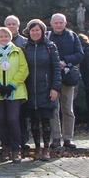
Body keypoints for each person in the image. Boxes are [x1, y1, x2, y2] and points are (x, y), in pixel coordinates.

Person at [0, 26, 29, 163]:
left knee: (12, 119)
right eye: (1, 36)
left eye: (6, 36)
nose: (3, 39)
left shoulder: (18, 51)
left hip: (14, 91)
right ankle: (5, 147)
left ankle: (16, 149)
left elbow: (23, 69)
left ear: (10, 37)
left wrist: (12, 85)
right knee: (0, 120)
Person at [22, 19, 61, 161]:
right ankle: (37, 148)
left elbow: (56, 69)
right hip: (30, 90)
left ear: (43, 31)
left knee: (45, 121)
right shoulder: (25, 47)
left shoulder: (51, 47)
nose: (35, 33)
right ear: (29, 32)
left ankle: (46, 148)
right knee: (33, 121)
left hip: (46, 89)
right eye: (32, 30)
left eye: (38, 30)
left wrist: (55, 88)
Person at [48, 13, 84, 150]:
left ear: (65, 23)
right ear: (51, 24)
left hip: (68, 77)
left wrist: (66, 61)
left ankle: (68, 138)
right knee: (53, 109)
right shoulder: (47, 37)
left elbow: (80, 54)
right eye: (56, 23)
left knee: (68, 109)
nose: (58, 25)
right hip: (52, 78)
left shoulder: (72, 36)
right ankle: (56, 137)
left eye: (60, 22)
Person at [5, 15, 30, 151]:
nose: (11, 26)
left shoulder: (24, 42)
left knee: (22, 115)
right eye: (9, 24)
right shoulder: (0, 41)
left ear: (18, 26)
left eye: (14, 24)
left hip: (21, 83)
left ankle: (23, 139)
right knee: (8, 117)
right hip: (4, 84)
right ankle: (9, 141)